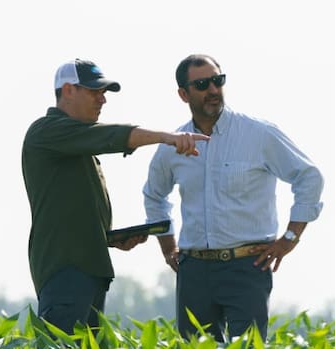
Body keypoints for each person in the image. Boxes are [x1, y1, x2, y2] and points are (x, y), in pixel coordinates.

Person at [142, 54, 325, 341]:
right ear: (183, 94)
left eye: (218, 81)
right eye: (202, 84)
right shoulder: (172, 144)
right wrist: (168, 247)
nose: (213, 90)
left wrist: (290, 238)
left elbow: (309, 176)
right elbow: (154, 195)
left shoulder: (259, 134)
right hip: (194, 270)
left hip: (247, 267)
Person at [22, 58, 209, 333]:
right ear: (68, 90)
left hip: (87, 272)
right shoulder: (46, 131)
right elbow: (111, 136)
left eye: (103, 93)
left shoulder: (75, 143)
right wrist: (168, 137)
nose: (103, 100)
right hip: (65, 273)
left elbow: (71, 212)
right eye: (94, 92)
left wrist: (110, 239)